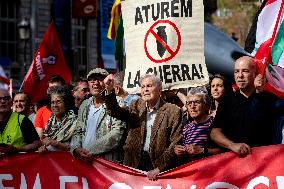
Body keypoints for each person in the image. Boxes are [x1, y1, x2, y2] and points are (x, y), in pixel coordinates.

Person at [103, 74, 182, 180]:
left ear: (159, 89)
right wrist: (109, 90)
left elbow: (175, 143)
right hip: (133, 163)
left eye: (149, 86)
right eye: (143, 87)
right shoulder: (135, 105)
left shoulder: (173, 110)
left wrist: (160, 168)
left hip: (158, 166)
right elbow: (114, 111)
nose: (145, 90)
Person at [210, 56, 278, 156]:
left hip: (265, 161)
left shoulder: (270, 99)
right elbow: (214, 132)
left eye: (245, 71)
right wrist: (232, 145)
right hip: (235, 163)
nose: (240, 75)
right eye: (236, 71)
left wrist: (259, 94)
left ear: (255, 74)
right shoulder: (227, 101)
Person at [70, 68, 126, 164]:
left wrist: (89, 150)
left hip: (107, 164)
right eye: (92, 80)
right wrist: (76, 149)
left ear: (107, 82)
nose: (95, 83)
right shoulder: (84, 105)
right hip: (84, 162)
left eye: (100, 79)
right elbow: (77, 131)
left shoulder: (118, 103)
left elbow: (117, 135)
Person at [174, 87, 221, 163]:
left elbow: (225, 150)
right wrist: (179, 152)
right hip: (192, 171)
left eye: (197, 102)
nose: (192, 106)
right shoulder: (186, 127)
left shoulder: (214, 123)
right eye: (189, 103)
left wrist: (202, 151)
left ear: (206, 106)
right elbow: (183, 159)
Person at [0, 89, 41, 155]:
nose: (3, 101)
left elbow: (37, 144)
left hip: (18, 163)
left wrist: (17, 149)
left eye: (6, 98)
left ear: (11, 103)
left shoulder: (22, 120)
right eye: (0, 99)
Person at [38, 86, 77, 153]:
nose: (55, 105)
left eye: (58, 102)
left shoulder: (75, 122)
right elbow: (47, 145)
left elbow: (76, 149)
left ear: (66, 103)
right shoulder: (50, 122)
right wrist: (43, 148)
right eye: (52, 102)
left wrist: (55, 143)